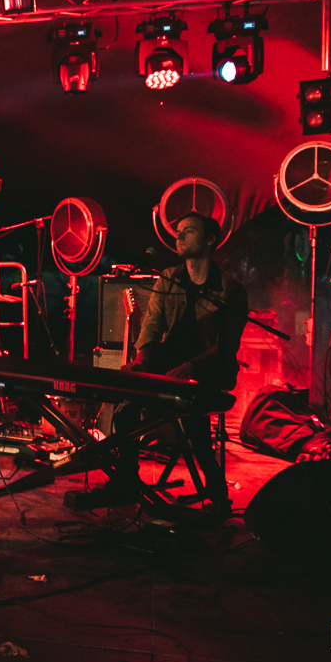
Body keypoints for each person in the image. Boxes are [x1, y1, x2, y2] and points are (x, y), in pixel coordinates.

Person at [121, 211, 246, 518]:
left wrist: (191, 367)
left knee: (196, 426)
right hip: (169, 361)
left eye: (188, 231)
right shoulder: (169, 277)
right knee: (124, 409)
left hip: (208, 370)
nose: (179, 236)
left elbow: (225, 350)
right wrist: (142, 362)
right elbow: (152, 324)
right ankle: (125, 480)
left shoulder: (231, 291)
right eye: (178, 231)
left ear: (210, 240)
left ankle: (217, 494)